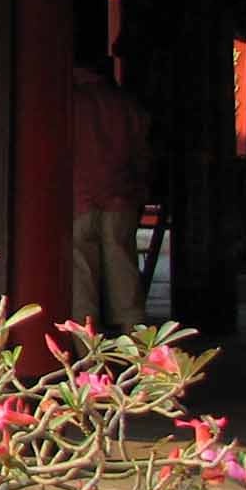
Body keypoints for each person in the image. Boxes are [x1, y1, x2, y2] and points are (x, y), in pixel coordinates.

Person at [71, 49, 151, 334]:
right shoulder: (126, 104)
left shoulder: (69, 102)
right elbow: (142, 152)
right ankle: (137, 343)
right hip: (120, 196)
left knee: (81, 273)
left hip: (79, 197)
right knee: (123, 268)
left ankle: (87, 347)